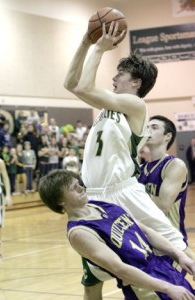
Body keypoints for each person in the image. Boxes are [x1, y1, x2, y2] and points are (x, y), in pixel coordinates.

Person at [64, 21, 192, 299]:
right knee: (94, 274)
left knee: (176, 249)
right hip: (95, 196)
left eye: (120, 74)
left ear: (136, 83)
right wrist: (85, 42)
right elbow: (71, 83)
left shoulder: (136, 105)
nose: (114, 79)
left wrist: (99, 48)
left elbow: (84, 87)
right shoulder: (107, 107)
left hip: (121, 191)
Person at [38, 169, 195, 300]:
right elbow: (119, 269)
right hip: (145, 287)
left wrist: (179, 255)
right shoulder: (79, 232)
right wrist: (167, 288)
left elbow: (145, 231)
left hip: (163, 268)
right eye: (73, 188)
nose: (80, 188)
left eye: (78, 184)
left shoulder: (101, 204)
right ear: (59, 201)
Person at [138, 115, 195, 261]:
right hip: (145, 244)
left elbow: (163, 206)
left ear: (167, 136)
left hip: (171, 246)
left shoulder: (175, 165)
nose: (148, 131)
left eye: (154, 127)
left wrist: (133, 191)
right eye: (147, 127)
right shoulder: (139, 168)